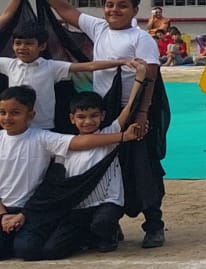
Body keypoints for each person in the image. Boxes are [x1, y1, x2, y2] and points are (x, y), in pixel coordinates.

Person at [26, 0, 166, 247]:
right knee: (103, 165)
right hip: (105, 111)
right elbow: (66, 11)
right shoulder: (99, 28)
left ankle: (154, 225)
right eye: (109, 5)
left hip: (134, 110)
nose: (114, 10)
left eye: (122, 6)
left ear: (134, 10)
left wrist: (141, 113)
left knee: (143, 166)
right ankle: (108, 224)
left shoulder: (141, 38)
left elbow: (150, 76)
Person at [14, 70, 148, 259]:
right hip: (78, 206)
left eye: (94, 116)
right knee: (52, 251)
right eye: (82, 117)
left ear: (103, 116)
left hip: (107, 202)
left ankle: (109, 234)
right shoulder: (65, 145)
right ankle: (87, 236)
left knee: (102, 222)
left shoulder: (111, 134)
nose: (88, 121)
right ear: (72, 118)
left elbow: (129, 108)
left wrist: (139, 79)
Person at [0, 20, 126, 132]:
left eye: (28, 43)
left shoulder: (51, 67)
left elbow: (89, 66)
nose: (22, 47)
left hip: (44, 126)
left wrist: (121, 62)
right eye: (18, 43)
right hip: (17, 126)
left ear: (42, 46)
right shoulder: (9, 65)